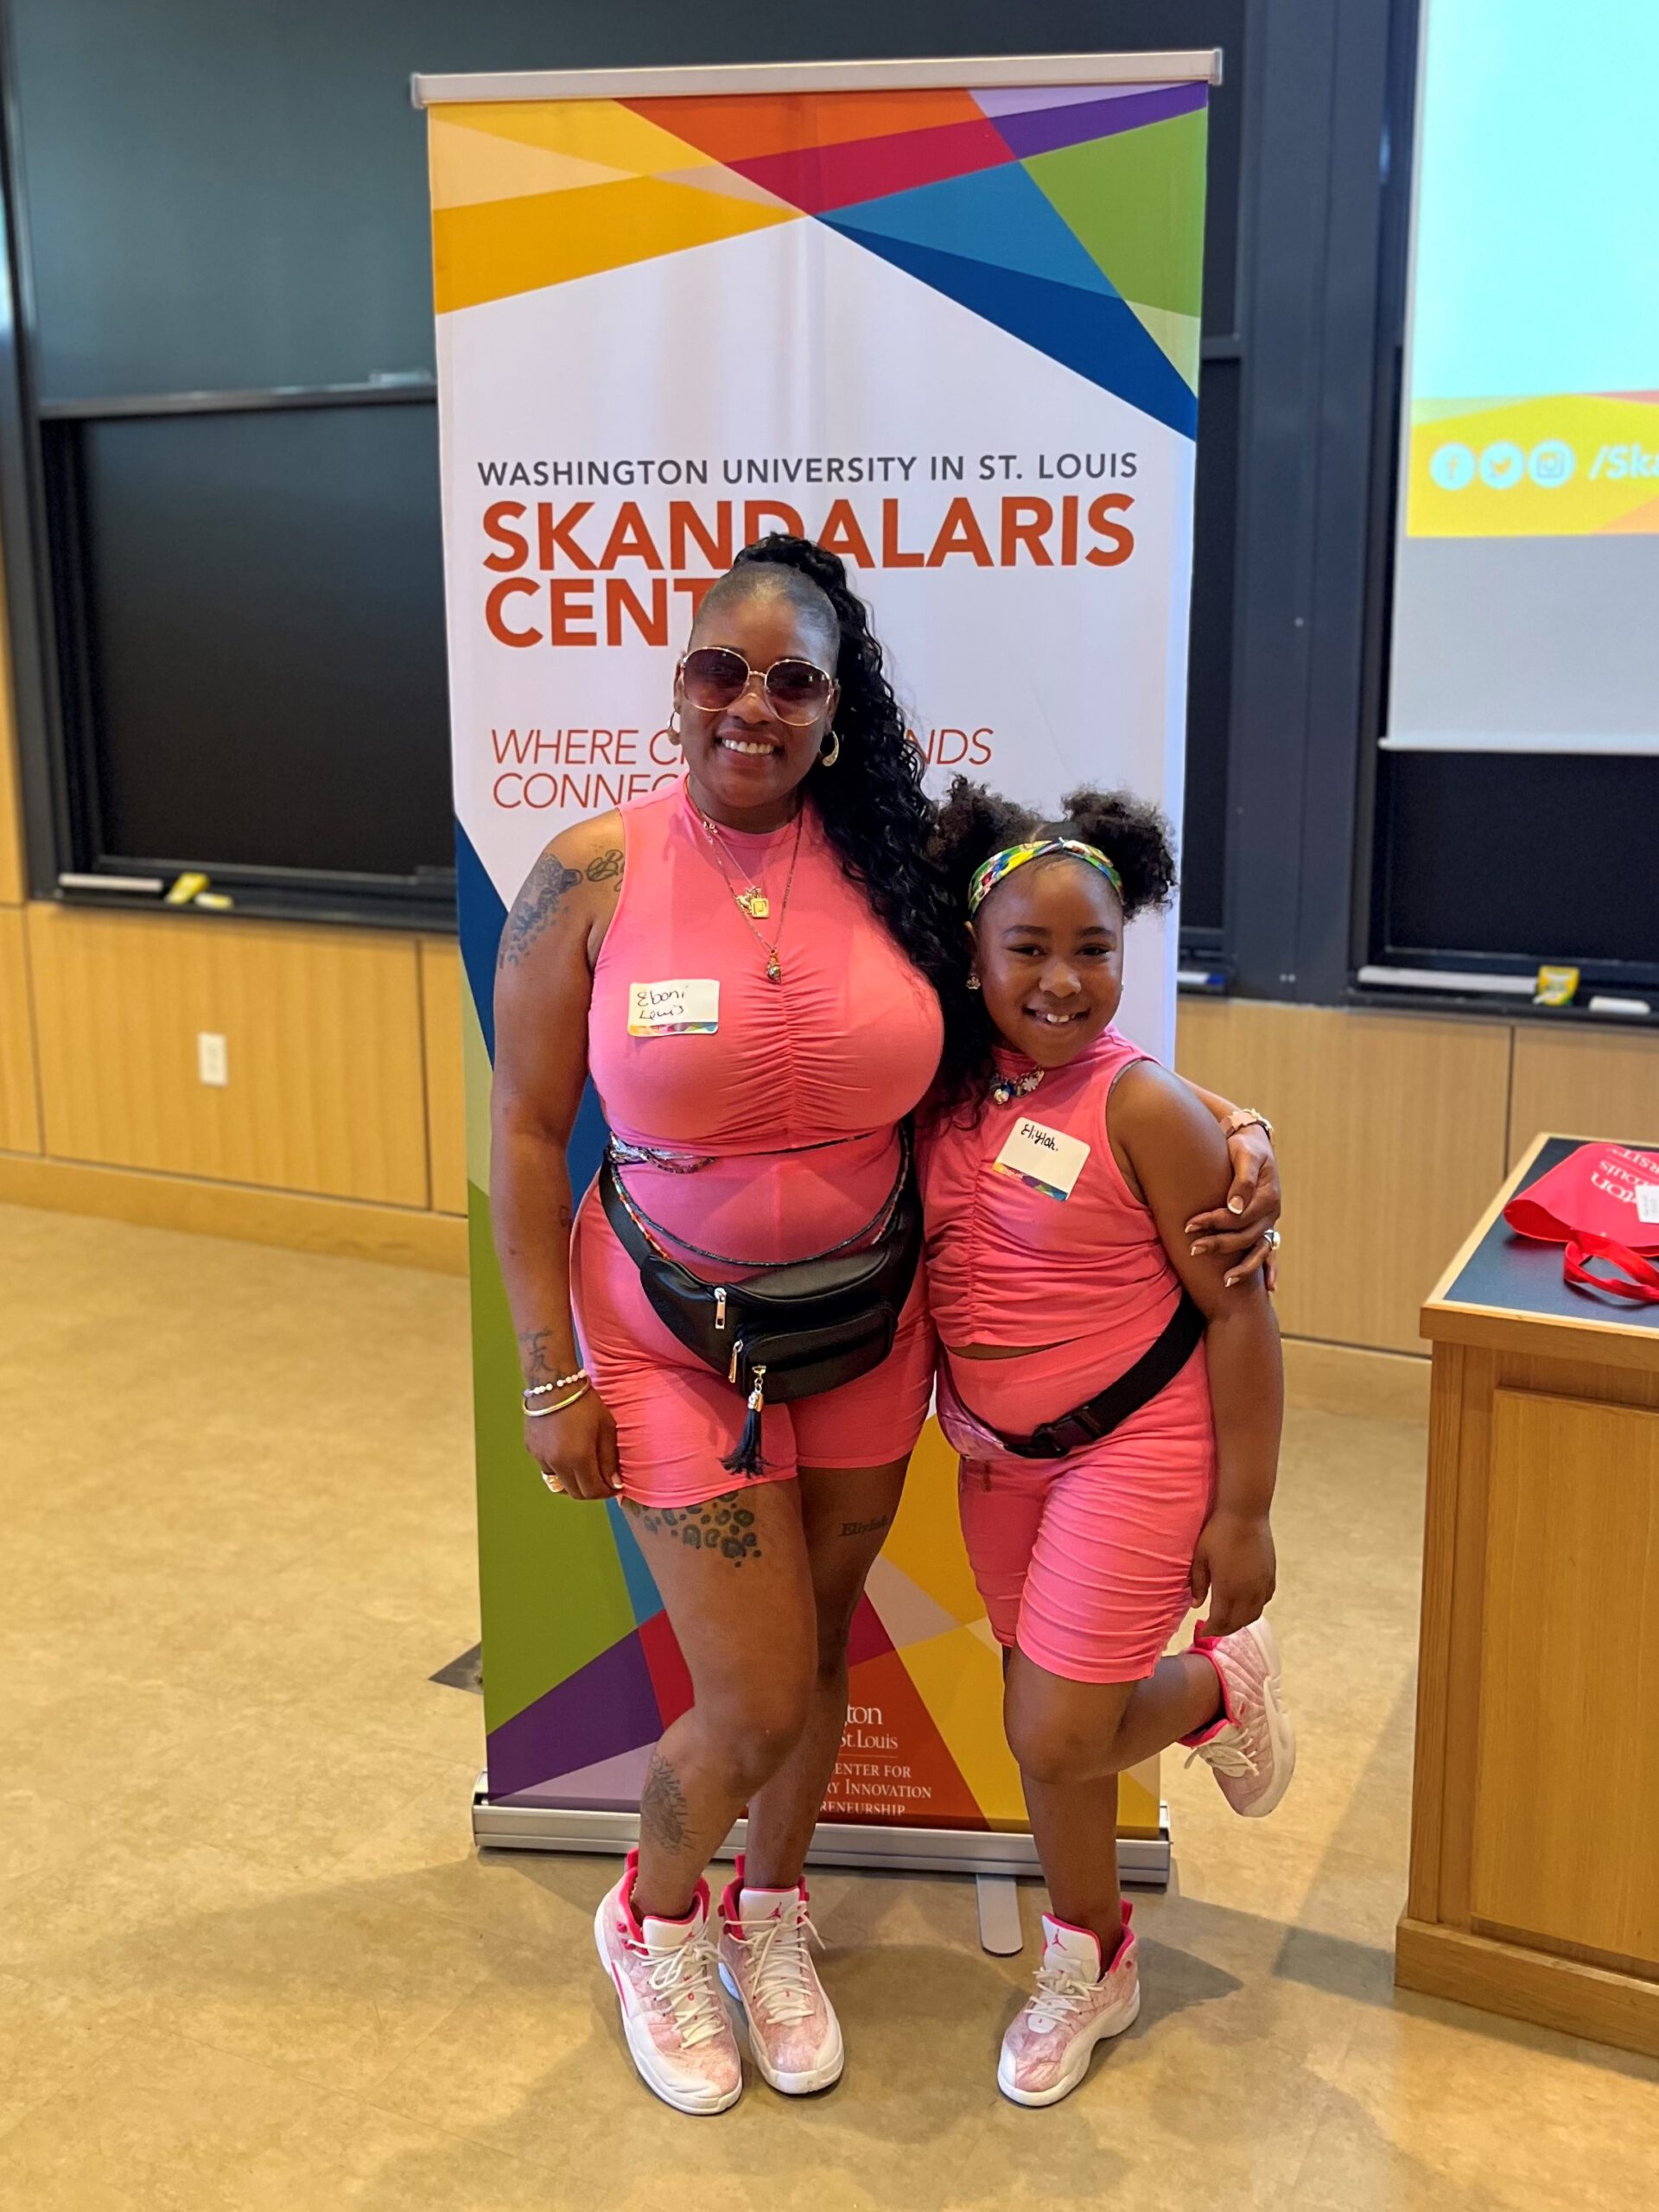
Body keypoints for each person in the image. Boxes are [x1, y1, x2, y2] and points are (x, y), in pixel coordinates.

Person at [490, 537, 1282, 2117]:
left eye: (794, 680)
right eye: (722, 671)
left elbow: (1046, 1003)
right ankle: (652, 1923)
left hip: (868, 1333)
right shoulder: (586, 875)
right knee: (758, 1693)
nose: (753, 706)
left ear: (837, 707)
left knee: (822, 1643)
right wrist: (546, 1374)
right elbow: (523, 1132)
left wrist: (1231, 1126)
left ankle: (771, 1915)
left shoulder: (902, 860)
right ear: (678, 685)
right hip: (664, 1337)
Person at [920, 779, 1294, 2110]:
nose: (1064, 980)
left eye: (1094, 949)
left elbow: (1240, 1316)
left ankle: (1219, 1688)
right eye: (1028, 948)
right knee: (1052, 1742)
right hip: (996, 1461)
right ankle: (1090, 1958)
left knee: (1057, 1726)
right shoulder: (938, 1081)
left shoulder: (1140, 1107)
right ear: (973, 957)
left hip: (1136, 1450)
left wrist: (1242, 1513)